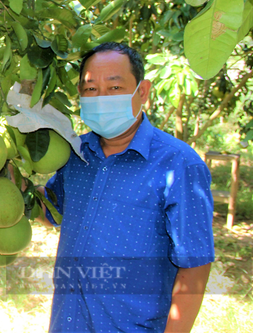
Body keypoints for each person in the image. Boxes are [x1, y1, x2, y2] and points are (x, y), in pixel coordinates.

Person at [37, 42, 214, 332]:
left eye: (115, 87)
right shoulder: (75, 154)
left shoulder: (178, 164)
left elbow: (194, 266)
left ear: (141, 92)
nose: (101, 97)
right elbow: (53, 210)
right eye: (91, 89)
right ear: (80, 94)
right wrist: (7, 182)